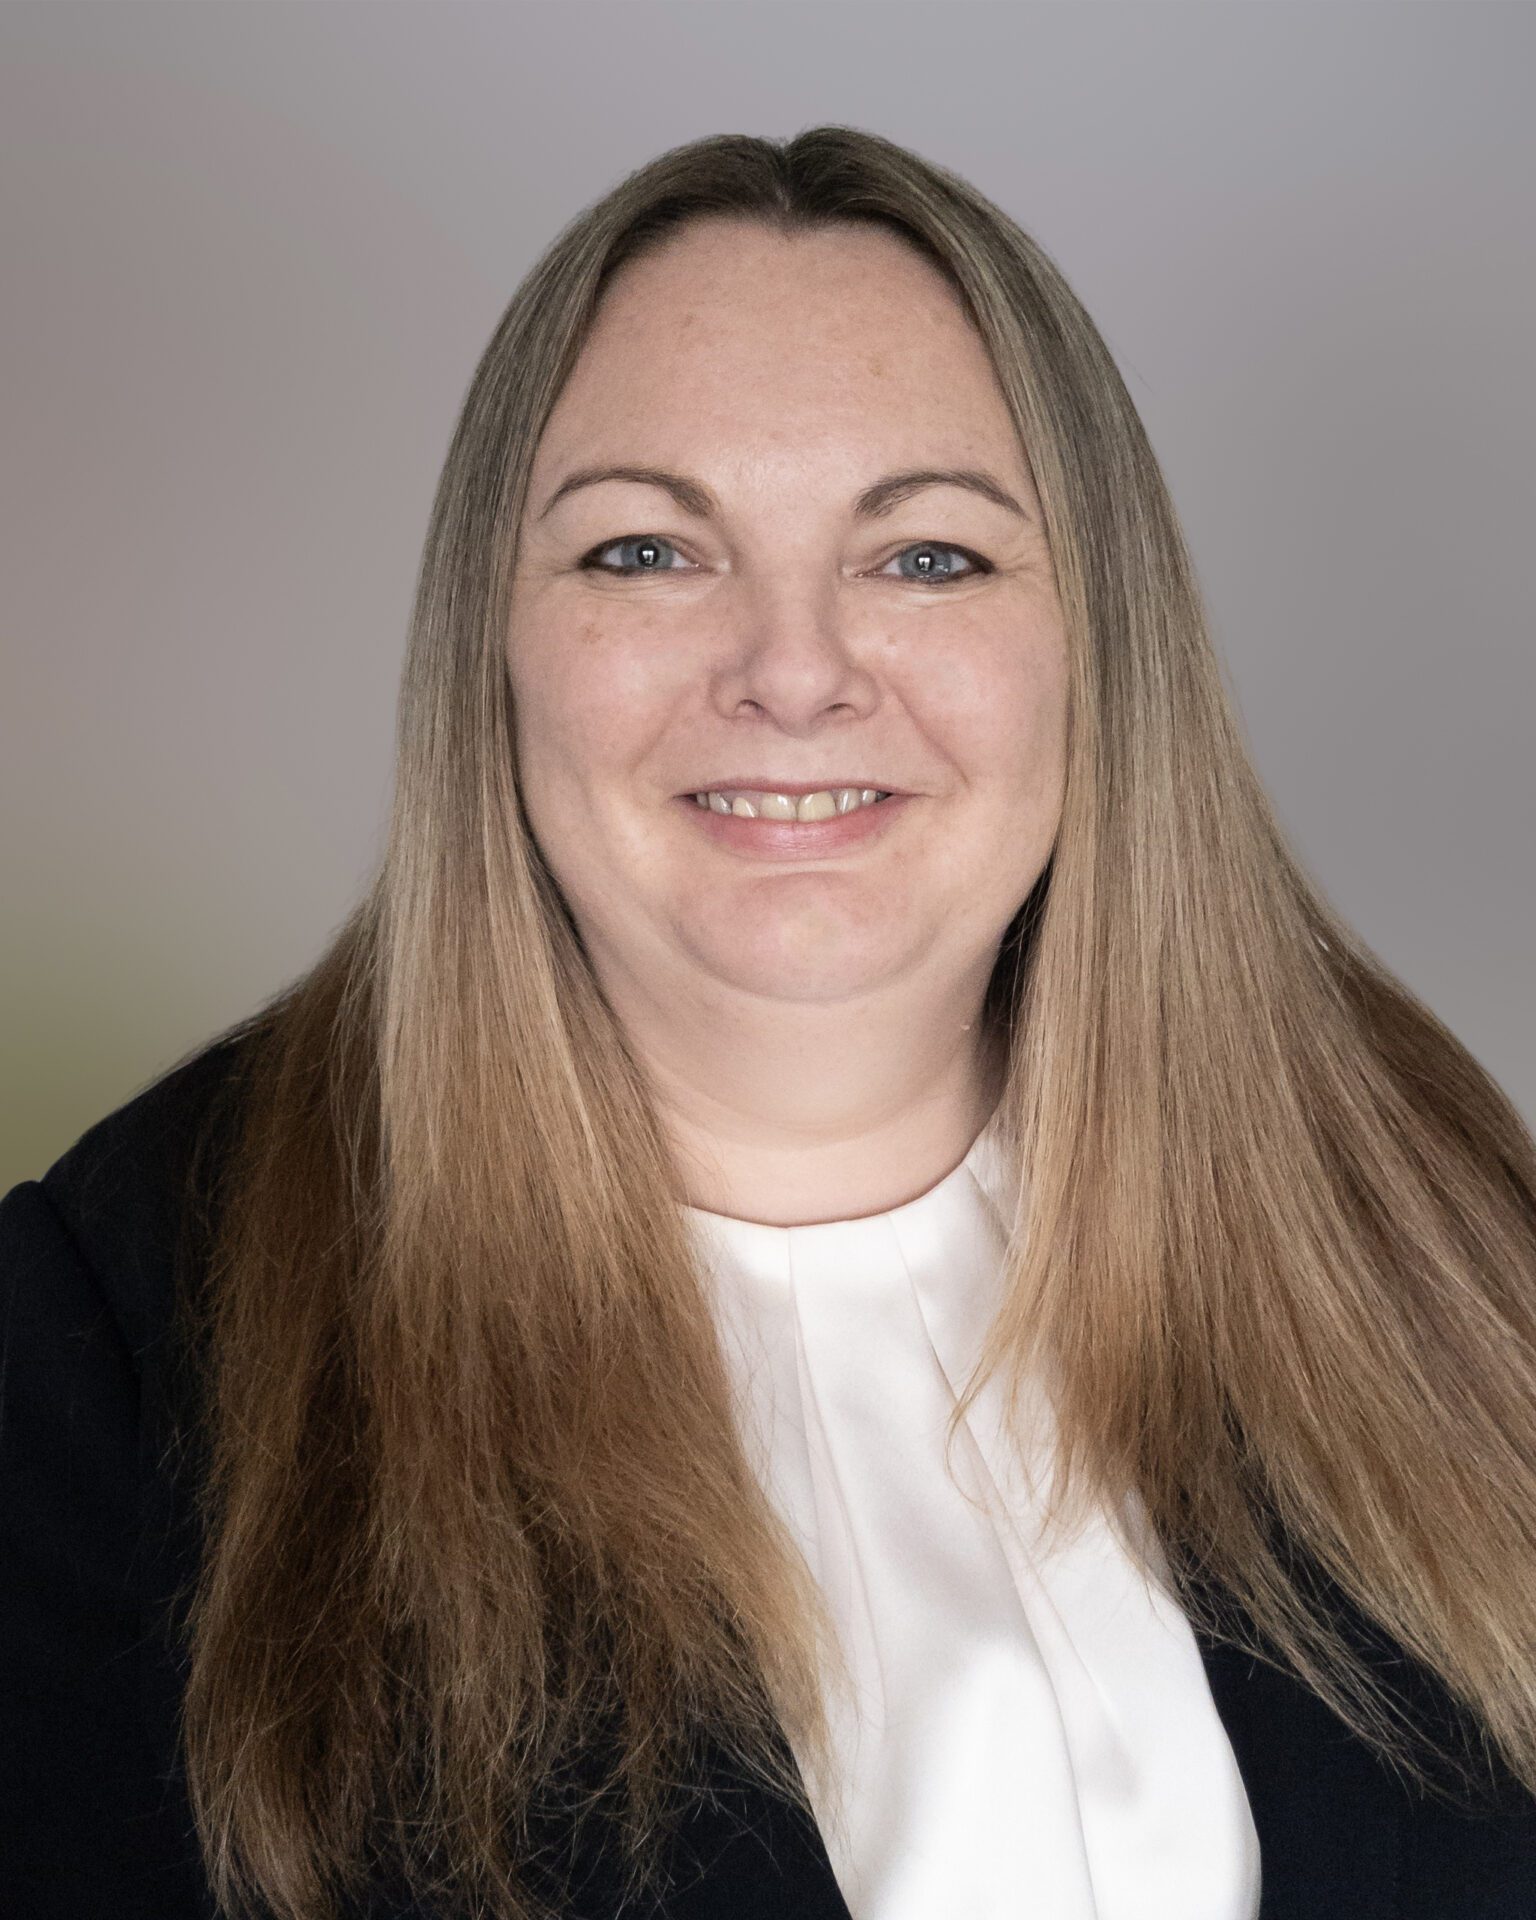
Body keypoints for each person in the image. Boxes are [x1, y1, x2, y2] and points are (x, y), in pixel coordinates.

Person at [2, 125, 1534, 1920]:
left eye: (930, 559)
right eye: (648, 553)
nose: (794, 671)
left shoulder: (1431, 1215)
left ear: (1098, 641)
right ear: (491, 646)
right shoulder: (100, 1356)